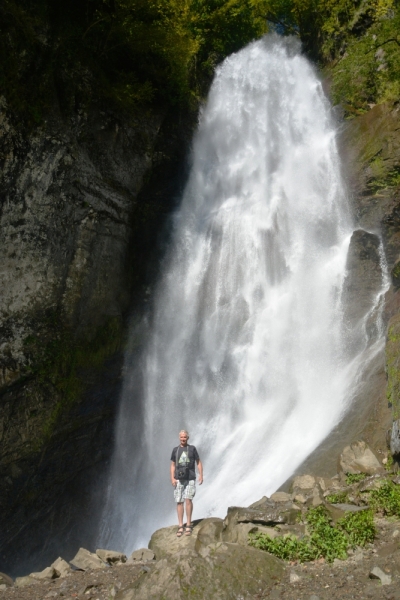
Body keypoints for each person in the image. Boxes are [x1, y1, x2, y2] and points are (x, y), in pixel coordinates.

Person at [170, 429, 203, 537]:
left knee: (188, 500)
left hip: (190, 478)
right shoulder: (175, 450)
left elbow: (198, 462)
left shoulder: (192, 449)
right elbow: (173, 465)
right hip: (179, 479)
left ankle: (188, 524)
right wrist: (172, 478)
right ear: (179, 438)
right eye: (181, 437)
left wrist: (201, 475)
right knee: (179, 501)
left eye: (185, 437)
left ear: (187, 438)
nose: (183, 439)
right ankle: (180, 525)